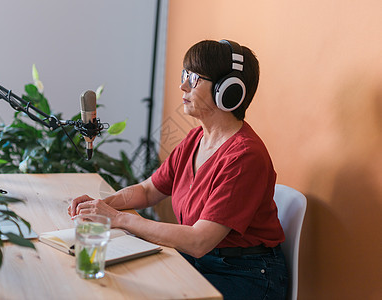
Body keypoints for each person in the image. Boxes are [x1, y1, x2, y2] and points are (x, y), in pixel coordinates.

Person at [68, 39, 288, 300]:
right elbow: (149, 191)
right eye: (185, 75)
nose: (182, 85)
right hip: (201, 260)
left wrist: (120, 219)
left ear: (227, 91)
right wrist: (101, 206)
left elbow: (199, 241)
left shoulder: (245, 156)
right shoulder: (196, 139)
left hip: (244, 274)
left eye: (194, 78)